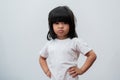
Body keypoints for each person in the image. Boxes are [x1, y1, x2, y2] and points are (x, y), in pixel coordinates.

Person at [39, 6, 97, 80]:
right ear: (51, 25)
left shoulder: (75, 42)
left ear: (71, 25)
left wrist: (81, 70)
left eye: (65, 23)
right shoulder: (50, 44)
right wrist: (47, 71)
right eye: (57, 23)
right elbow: (41, 58)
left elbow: (92, 55)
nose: (60, 26)